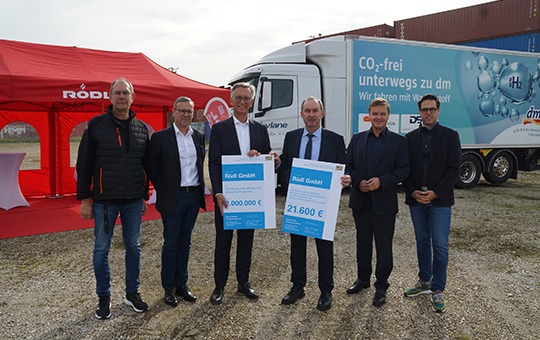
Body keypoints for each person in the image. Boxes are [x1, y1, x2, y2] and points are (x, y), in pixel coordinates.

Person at [76, 77, 150, 319]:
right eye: (117, 93)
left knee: (134, 248)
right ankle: (103, 297)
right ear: (110, 97)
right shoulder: (96, 126)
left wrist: (144, 195)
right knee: (101, 251)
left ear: (132, 97)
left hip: (133, 201)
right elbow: (84, 164)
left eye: (125, 93)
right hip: (105, 201)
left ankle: (132, 293)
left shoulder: (141, 128)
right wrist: (85, 199)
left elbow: (144, 164)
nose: (121, 97)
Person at [208, 82, 278, 305]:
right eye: (238, 97)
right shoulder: (219, 129)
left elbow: (267, 161)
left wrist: (271, 159)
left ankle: (243, 282)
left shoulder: (260, 129)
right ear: (231, 100)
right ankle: (219, 286)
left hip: (250, 197)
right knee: (223, 243)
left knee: (246, 242)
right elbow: (214, 164)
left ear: (252, 101)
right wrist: (217, 192)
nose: (242, 102)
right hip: (225, 198)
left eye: (246, 98)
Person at [278, 96, 350, 311]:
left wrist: (346, 178)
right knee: (297, 247)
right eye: (307, 111)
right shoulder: (291, 137)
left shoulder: (335, 139)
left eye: (314, 111)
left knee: (324, 248)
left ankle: (326, 291)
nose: (311, 115)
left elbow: (343, 166)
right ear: (301, 114)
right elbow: (285, 162)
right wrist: (276, 162)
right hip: (298, 200)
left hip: (323, 202)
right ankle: (297, 287)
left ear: (322, 113)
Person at [345, 97, 409, 307]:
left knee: (383, 246)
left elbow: (403, 170)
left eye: (382, 114)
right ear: (369, 116)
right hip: (361, 200)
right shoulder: (357, 139)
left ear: (388, 116)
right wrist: (358, 182)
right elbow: (348, 166)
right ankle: (363, 279)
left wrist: (381, 181)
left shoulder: (399, 142)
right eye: (375, 113)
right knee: (362, 243)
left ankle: (381, 285)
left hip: (384, 203)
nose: (378, 117)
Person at [403, 94, 461, 313]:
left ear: (438, 111)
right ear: (419, 112)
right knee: (421, 241)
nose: (428, 113)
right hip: (416, 199)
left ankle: (438, 289)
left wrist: (436, 193)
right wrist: (412, 191)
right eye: (424, 109)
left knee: (440, 245)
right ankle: (424, 281)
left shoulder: (450, 136)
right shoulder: (409, 138)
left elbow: (454, 169)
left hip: (440, 201)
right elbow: (404, 168)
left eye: (432, 109)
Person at [148, 97, 206, 307]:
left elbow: (200, 163)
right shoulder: (161, 137)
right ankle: (168, 287)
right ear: (173, 112)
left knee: (185, 242)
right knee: (171, 243)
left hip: (192, 196)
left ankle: (182, 284)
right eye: (181, 111)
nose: (185, 115)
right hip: (173, 197)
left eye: (189, 111)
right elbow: (152, 167)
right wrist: (165, 188)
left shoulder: (198, 136)